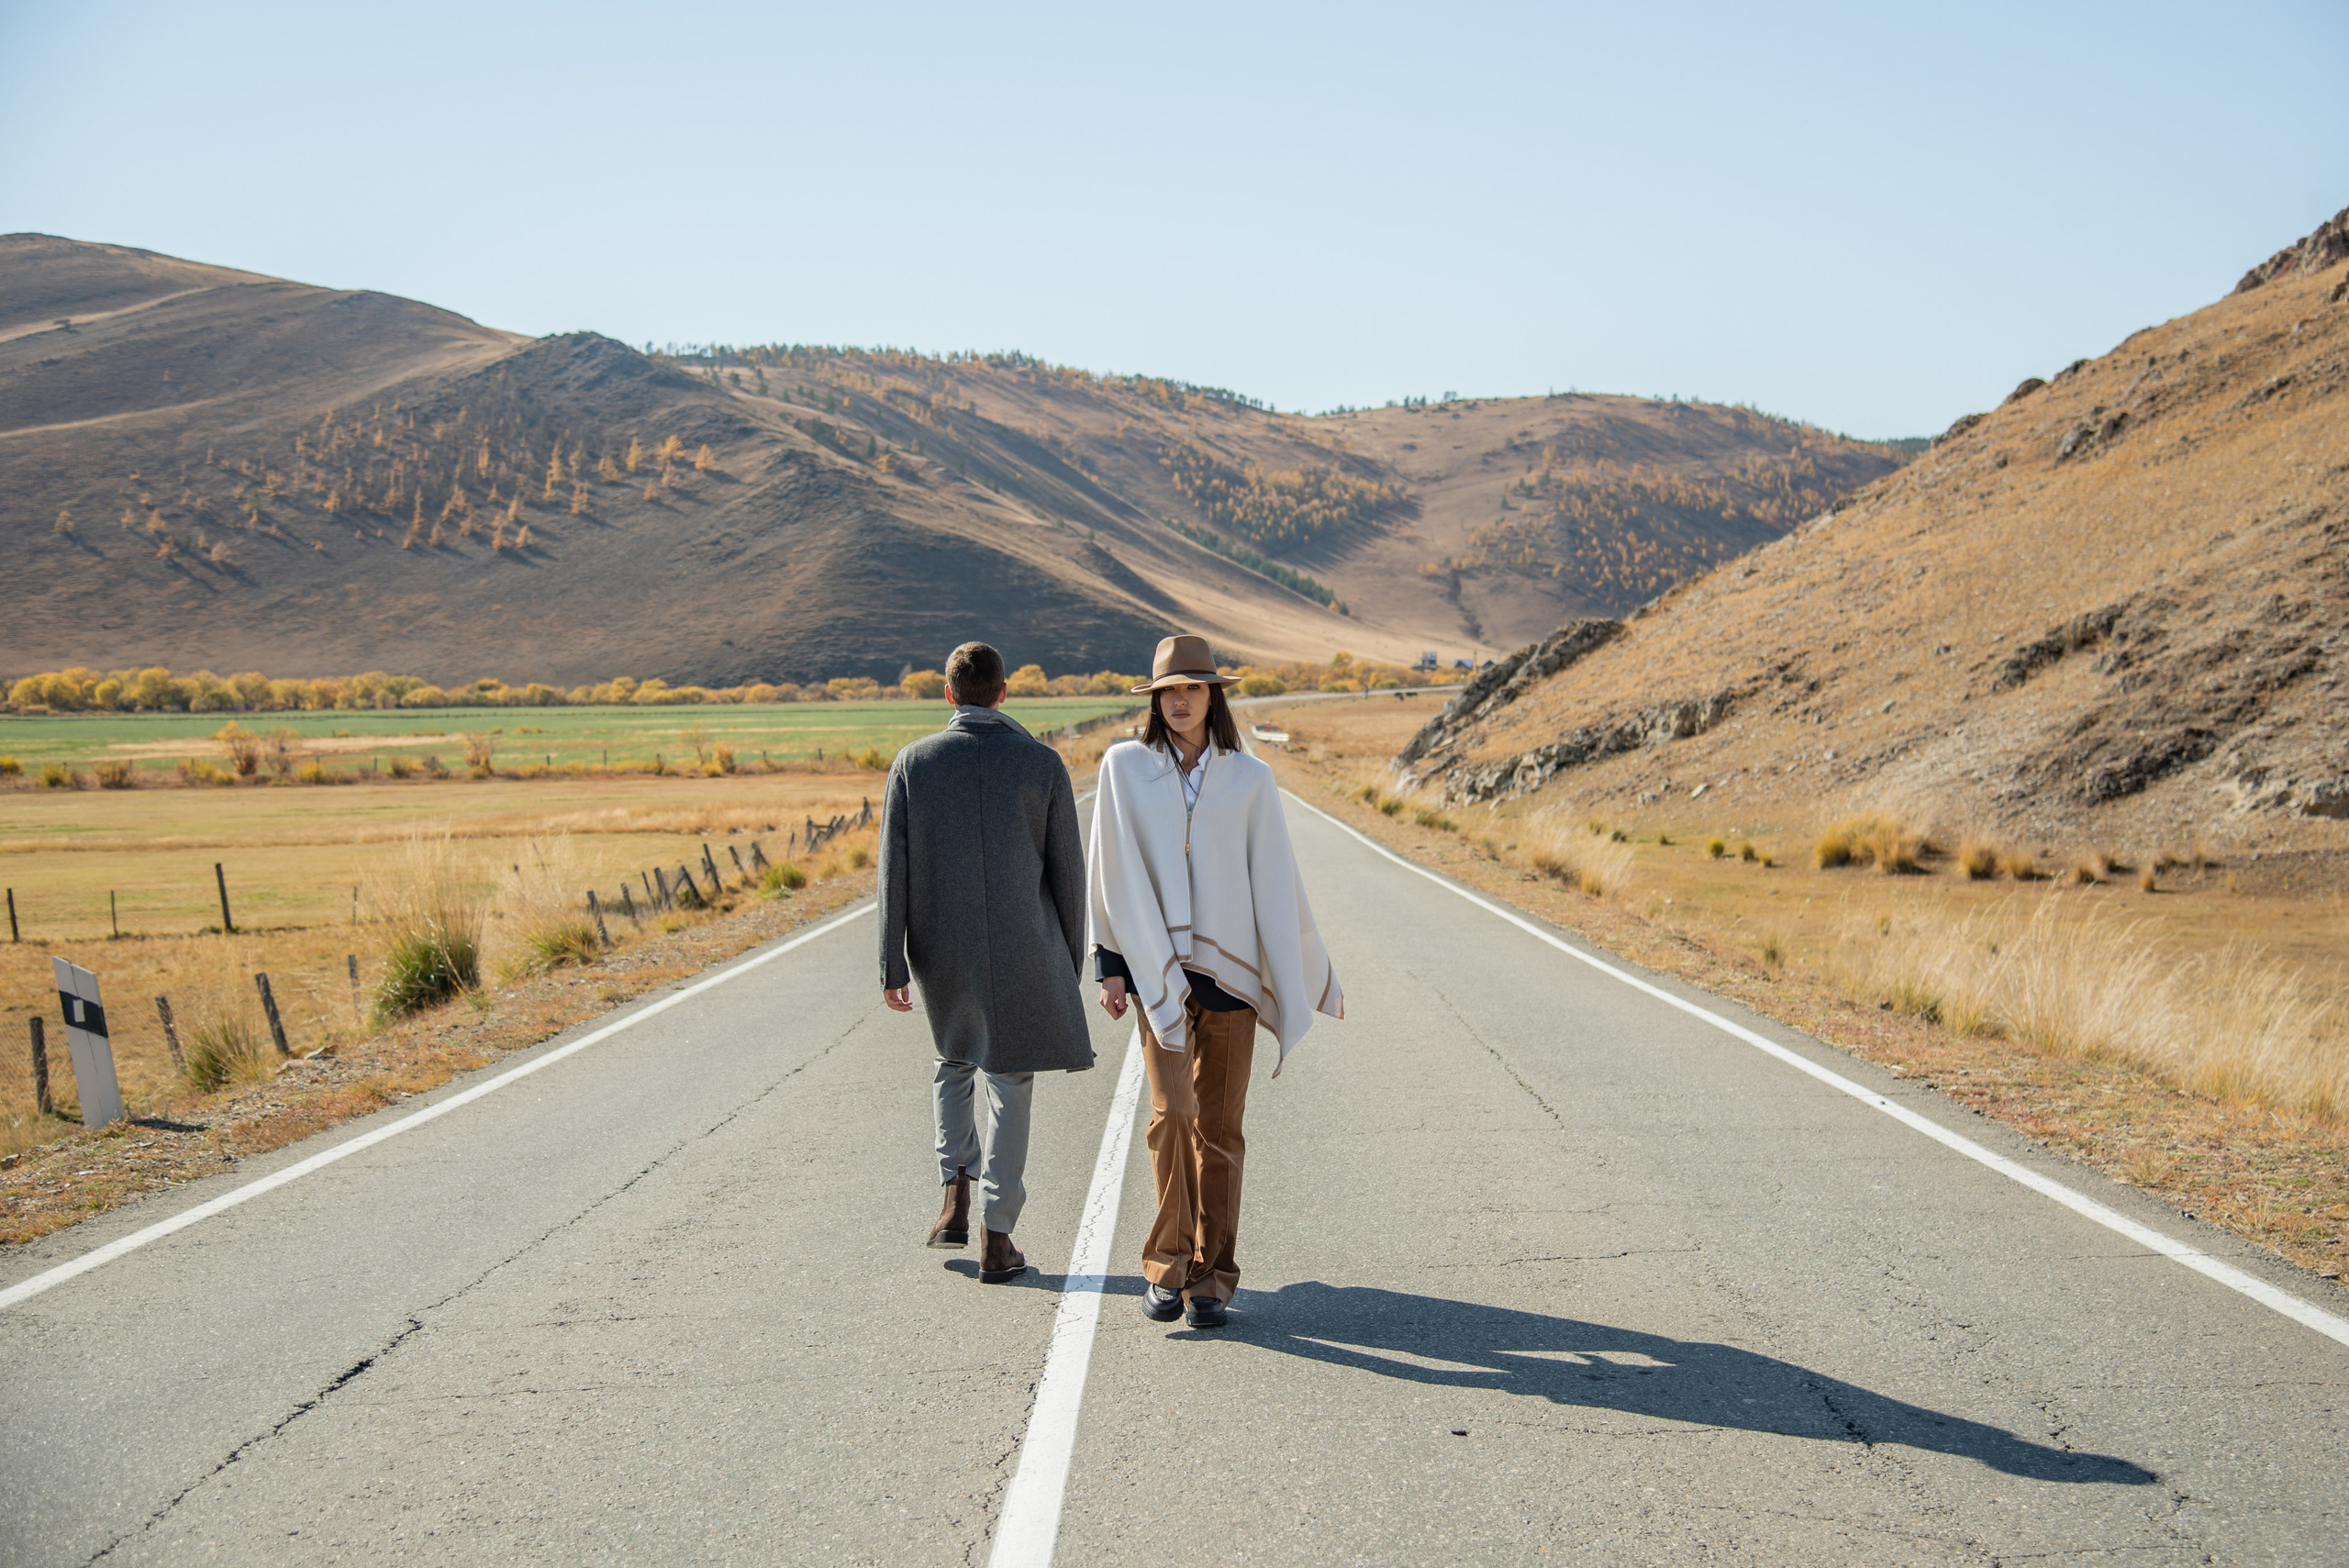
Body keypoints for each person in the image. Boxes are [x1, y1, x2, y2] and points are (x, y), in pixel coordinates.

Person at [1089, 634, 1343, 1329]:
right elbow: (1108, 867)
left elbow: (1277, 877)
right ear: (1155, 699)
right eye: (1169, 690)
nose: (1180, 701)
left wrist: (1296, 970)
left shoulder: (1251, 778)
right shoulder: (1124, 769)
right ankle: (1166, 1267)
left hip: (1230, 980)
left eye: (1193, 688)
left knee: (1221, 1131)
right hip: (1157, 975)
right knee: (1174, 1115)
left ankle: (1212, 1277)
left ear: (1213, 695)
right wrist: (1109, 965)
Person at [881, 640, 1093, 1284]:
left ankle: (954, 1196)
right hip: (1024, 946)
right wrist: (1069, 962)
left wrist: (892, 963)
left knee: (953, 1061)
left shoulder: (913, 763)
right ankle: (997, 1236)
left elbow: (894, 872)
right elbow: (1069, 876)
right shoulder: (1042, 763)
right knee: (1011, 1081)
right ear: (1005, 693)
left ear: (948, 694)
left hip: (940, 946)